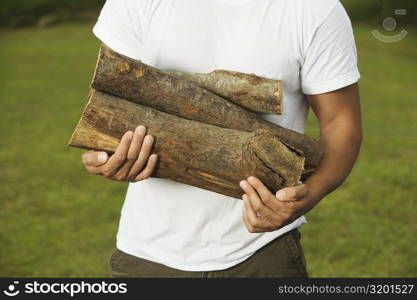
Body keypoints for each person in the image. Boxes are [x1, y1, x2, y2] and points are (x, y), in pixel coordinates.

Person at [81, 0, 362, 278]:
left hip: (261, 253)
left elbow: (341, 122)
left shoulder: (315, 10)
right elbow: (110, 99)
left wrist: (310, 193)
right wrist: (104, 155)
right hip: (147, 254)